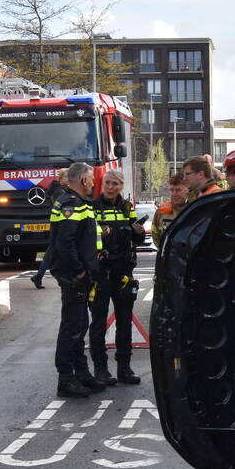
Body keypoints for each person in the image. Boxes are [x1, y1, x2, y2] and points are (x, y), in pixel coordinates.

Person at [49, 162, 103, 398]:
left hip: (80, 275)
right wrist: (79, 271)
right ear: (83, 180)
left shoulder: (74, 202)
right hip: (74, 277)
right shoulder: (72, 204)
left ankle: (81, 374)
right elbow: (65, 242)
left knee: (80, 325)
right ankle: (66, 379)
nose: (93, 183)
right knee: (72, 327)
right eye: (91, 178)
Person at [89, 169, 145, 386]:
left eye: (115, 184)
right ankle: (101, 369)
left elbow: (137, 240)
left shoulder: (127, 208)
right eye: (108, 183)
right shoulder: (93, 207)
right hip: (101, 272)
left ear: (122, 186)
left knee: (124, 322)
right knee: (98, 322)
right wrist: (99, 234)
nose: (110, 187)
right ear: (102, 184)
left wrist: (138, 232)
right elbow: (86, 237)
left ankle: (125, 368)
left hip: (123, 272)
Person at [31, 167, 69, 289]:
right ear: (60, 178)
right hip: (59, 225)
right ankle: (59, 279)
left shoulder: (59, 190)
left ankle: (39, 276)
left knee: (52, 253)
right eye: (66, 177)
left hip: (57, 224)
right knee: (56, 253)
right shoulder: (60, 192)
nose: (69, 179)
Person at [152, 173, 188, 248]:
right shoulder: (162, 210)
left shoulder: (194, 209)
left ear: (187, 190)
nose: (174, 194)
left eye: (178, 190)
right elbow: (155, 233)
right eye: (172, 190)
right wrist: (163, 250)